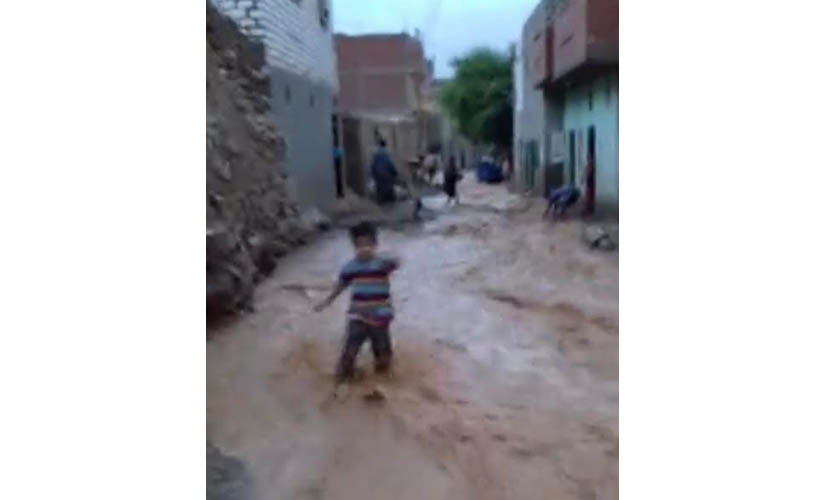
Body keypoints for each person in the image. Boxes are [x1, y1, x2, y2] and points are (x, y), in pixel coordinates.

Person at [314, 221, 401, 382]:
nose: (364, 248)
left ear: (375, 244)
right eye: (359, 245)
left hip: (380, 317)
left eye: (368, 244)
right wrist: (327, 301)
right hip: (358, 316)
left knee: (383, 353)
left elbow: (398, 261)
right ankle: (342, 379)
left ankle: (383, 382)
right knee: (349, 351)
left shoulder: (382, 264)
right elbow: (340, 286)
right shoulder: (350, 267)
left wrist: (383, 257)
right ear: (353, 246)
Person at [370, 139, 398, 204]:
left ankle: (380, 200)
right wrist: (394, 172)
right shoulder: (386, 153)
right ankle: (390, 199)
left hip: (378, 174)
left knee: (379, 188)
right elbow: (389, 163)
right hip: (386, 174)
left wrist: (373, 174)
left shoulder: (375, 153)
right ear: (385, 145)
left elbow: (373, 165)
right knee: (389, 187)